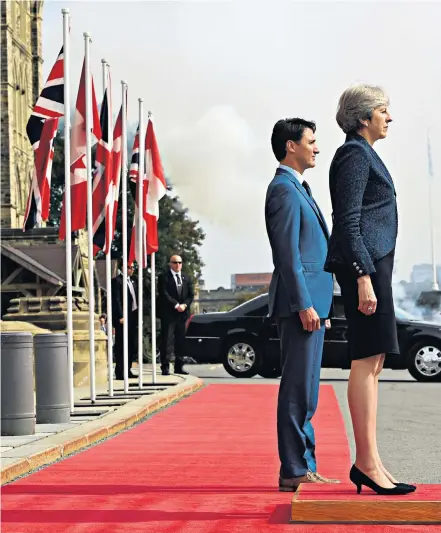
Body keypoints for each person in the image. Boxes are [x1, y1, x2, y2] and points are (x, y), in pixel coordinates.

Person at [324, 84, 415, 495]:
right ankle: (365, 462)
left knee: (374, 361)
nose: (389, 117)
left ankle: (372, 461)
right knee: (365, 360)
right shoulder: (353, 155)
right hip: (366, 267)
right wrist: (363, 275)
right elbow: (347, 220)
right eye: (383, 111)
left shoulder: (364, 154)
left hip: (375, 265)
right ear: (364, 118)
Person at [265, 118, 338, 492]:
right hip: (300, 308)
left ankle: (304, 465)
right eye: (311, 141)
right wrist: (304, 305)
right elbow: (288, 257)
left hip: (312, 307)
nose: (317, 147)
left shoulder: (298, 188)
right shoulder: (284, 190)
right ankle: (293, 468)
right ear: (291, 145)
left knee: (308, 391)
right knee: (297, 390)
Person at [157, 255, 194, 376]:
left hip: (182, 314)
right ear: (170, 264)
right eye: (175, 262)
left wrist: (184, 305)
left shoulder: (186, 278)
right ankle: (165, 366)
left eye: (180, 262)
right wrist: (176, 305)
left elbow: (191, 295)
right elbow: (164, 294)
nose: (178, 265)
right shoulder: (164, 277)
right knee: (167, 341)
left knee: (180, 341)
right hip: (169, 314)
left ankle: (179, 365)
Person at [111, 260, 138, 380]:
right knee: (121, 344)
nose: (131, 269)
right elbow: (116, 300)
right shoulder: (117, 281)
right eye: (129, 267)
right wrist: (121, 316)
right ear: (122, 267)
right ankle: (120, 371)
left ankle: (128, 369)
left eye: (133, 267)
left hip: (133, 316)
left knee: (131, 344)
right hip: (123, 317)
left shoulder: (133, 281)